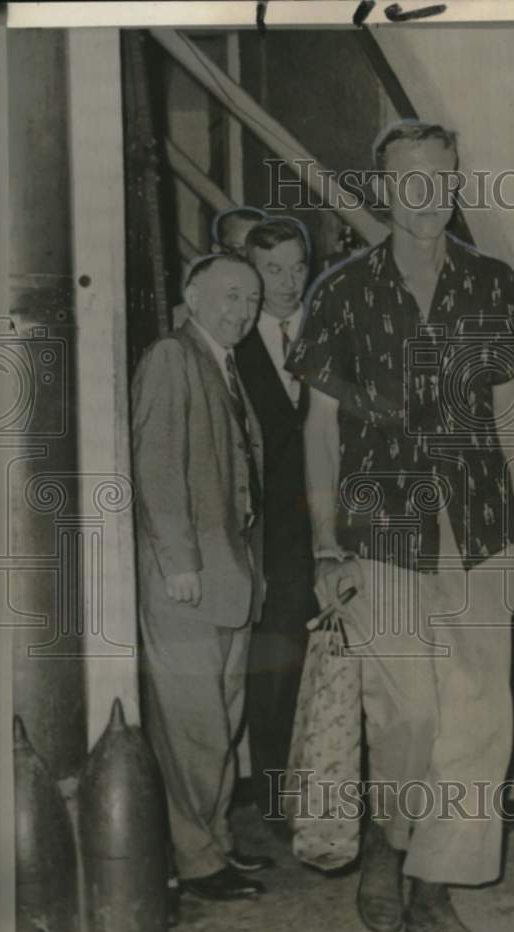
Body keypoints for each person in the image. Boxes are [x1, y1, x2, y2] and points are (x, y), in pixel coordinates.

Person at [286, 120, 514, 932]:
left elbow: (511, 414)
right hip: (380, 533)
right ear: (384, 188)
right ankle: (391, 847)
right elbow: (321, 429)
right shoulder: (342, 290)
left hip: (482, 532)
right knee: (406, 717)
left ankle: (434, 888)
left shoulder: (493, 285)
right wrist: (325, 545)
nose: (426, 194)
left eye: (440, 176)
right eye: (409, 180)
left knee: (477, 722)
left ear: (456, 179)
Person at [131, 253, 274, 902]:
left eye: (251, 300)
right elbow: (155, 465)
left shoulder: (225, 364)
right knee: (195, 727)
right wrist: (180, 561)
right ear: (192, 292)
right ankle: (195, 861)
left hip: (232, 578)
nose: (240, 310)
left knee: (223, 721)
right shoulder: (172, 356)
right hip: (187, 581)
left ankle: (212, 844)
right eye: (229, 294)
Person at [235, 218, 316, 824]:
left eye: (297, 267)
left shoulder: (329, 329)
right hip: (270, 541)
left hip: (333, 530)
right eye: (273, 270)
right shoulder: (232, 345)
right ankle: (274, 800)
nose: (288, 283)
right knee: (275, 669)